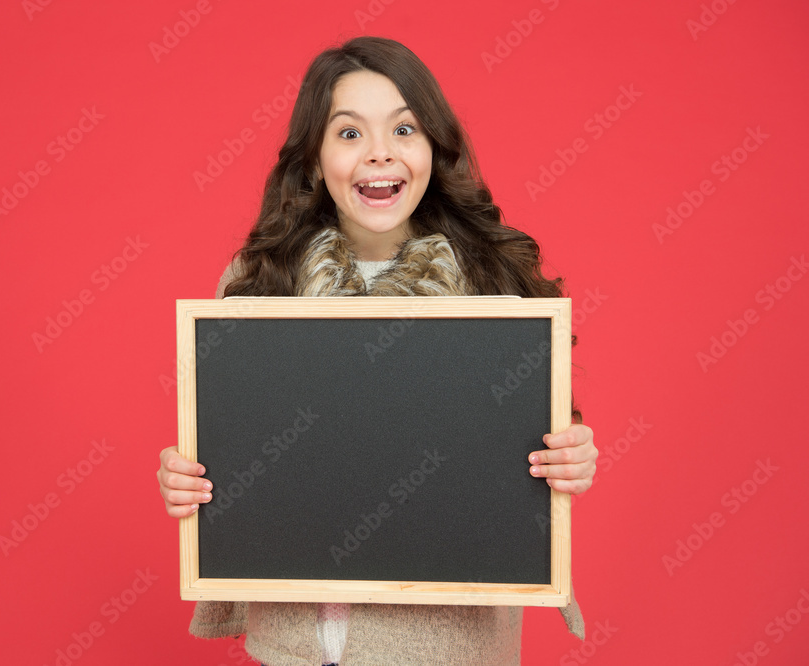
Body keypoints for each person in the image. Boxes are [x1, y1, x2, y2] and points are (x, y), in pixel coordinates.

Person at [157, 36, 598, 665]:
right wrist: (186, 478)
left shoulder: (493, 282)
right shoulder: (256, 284)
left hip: (445, 651)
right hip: (293, 648)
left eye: (404, 129)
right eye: (349, 133)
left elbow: (540, 445)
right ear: (315, 160)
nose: (380, 153)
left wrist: (571, 458)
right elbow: (229, 452)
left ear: (432, 148)